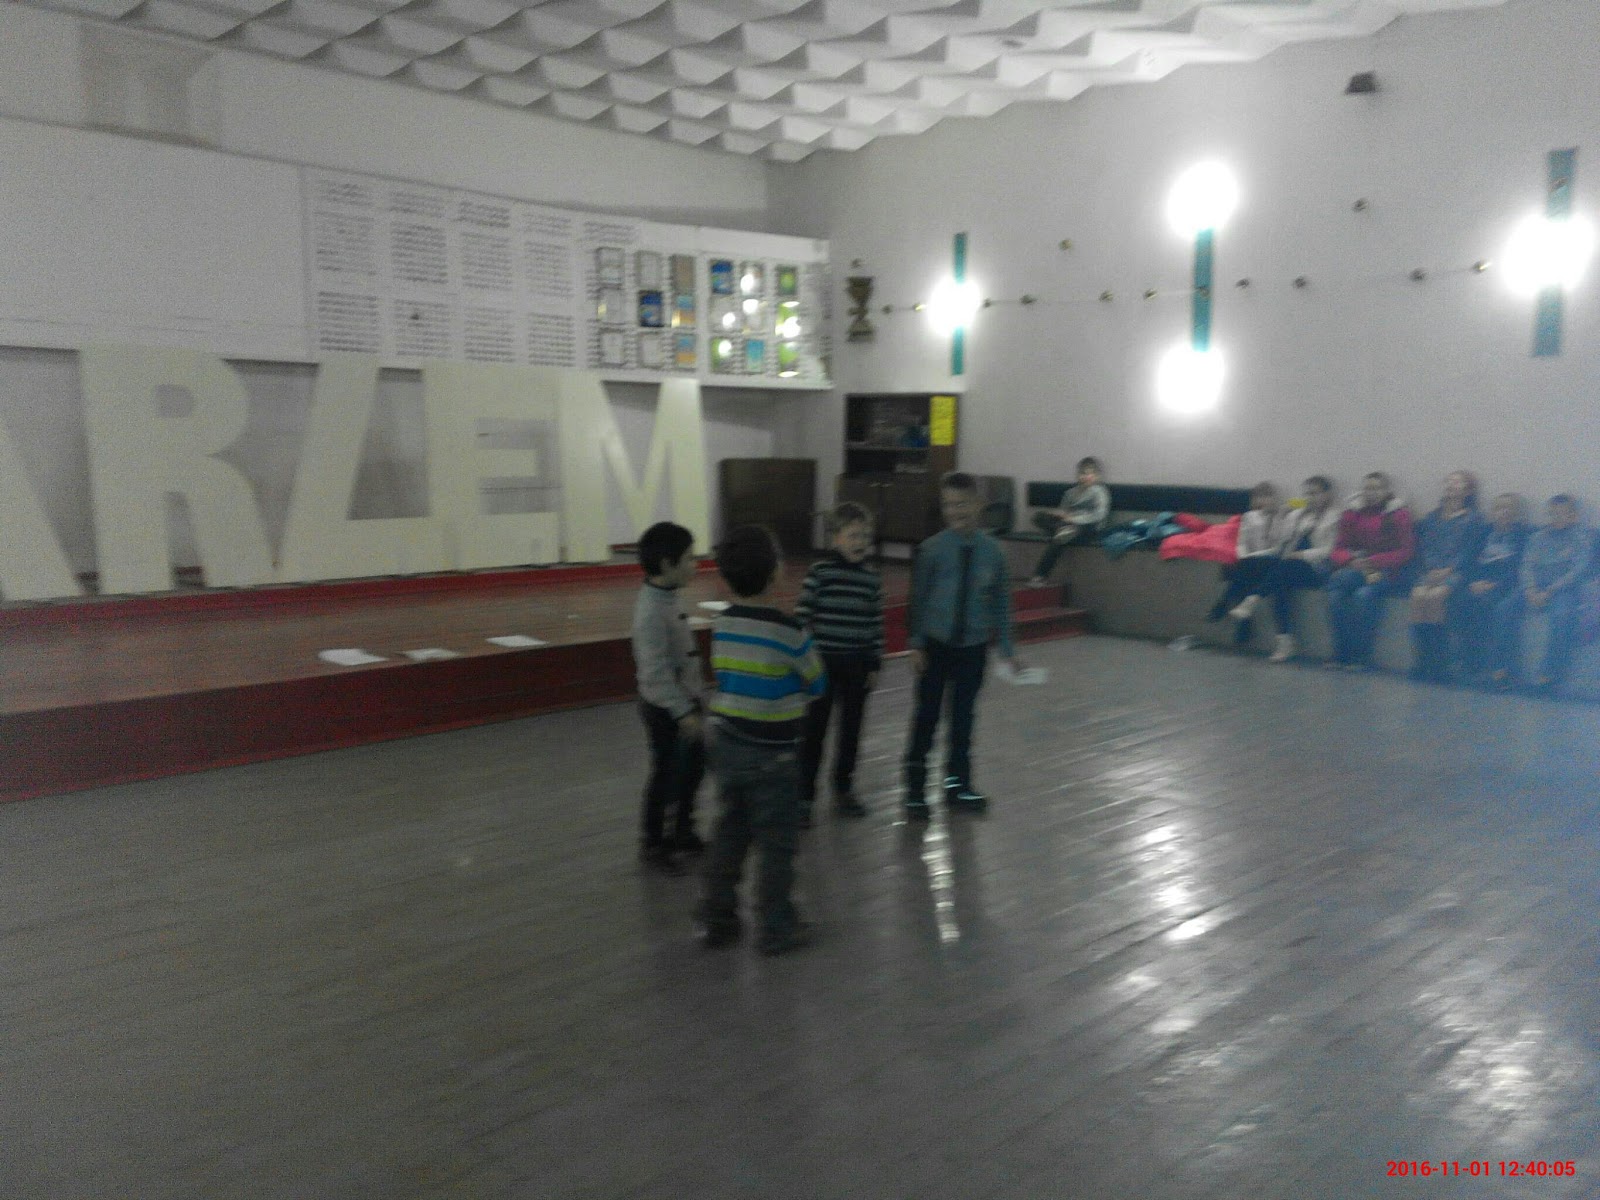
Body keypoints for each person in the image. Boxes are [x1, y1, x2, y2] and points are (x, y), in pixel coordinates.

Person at [699, 526, 827, 955]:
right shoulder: (789, 630)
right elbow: (817, 682)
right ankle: (776, 926)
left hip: (726, 743)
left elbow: (724, 673)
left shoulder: (723, 623)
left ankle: (717, 916)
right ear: (776, 574)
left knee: (731, 830)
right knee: (777, 843)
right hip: (774, 753)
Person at [905, 472, 1022, 818]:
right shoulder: (932, 550)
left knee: (963, 720)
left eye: (962, 504)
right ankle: (915, 790)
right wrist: (916, 643)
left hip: (972, 649)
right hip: (935, 646)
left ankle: (957, 786)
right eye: (948, 505)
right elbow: (918, 599)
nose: (955, 511)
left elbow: (1001, 601)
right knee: (926, 717)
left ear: (978, 504)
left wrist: (1007, 648)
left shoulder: (993, 552)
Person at [795, 502, 884, 824]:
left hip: (857, 666)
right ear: (836, 538)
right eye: (853, 535)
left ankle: (843, 787)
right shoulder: (821, 573)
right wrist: (802, 661)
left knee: (851, 731)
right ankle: (804, 795)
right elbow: (802, 617)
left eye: (865, 536)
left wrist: (874, 663)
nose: (860, 542)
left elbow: (875, 624)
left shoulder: (871, 580)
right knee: (813, 732)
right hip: (822, 667)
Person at [630, 521, 706, 876]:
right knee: (666, 775)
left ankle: (682, 830)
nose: (695, 564)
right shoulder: (650, 612)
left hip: (684, 702)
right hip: (665, 710)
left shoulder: (667, 596)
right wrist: (682, 712)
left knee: (691, 770)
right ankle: (654, 842)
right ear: (666, 564)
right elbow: (655, 673)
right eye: (689, 558)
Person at [1324, 472, 1416, 670]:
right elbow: (1338, 548)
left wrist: (1374, 560)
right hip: (1356, 567)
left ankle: (1362, 655)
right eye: (1367, 488)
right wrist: (1350, 560)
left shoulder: (1398, 514)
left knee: (1363, 596)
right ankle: (1341, 652)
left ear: (1386, 491)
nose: (1371, 493)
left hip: (1386, 572)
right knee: (1336, 594)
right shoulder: (1352, 513)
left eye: (1377, 488)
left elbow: (1406, 551)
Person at [1408, 471, 1488, 683]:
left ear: (1468, 490)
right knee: (1418, 596)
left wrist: (1448, 570)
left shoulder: (1474, 519)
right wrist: (1431, 569)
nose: (1452, 485)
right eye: (1449, 481)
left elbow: (1470, 551)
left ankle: (1438, 662)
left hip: (1457, 572)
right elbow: (1425, 546)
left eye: (1458, 482)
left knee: (1436, 597)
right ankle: (1421, 659)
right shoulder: (1432, 517)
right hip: (1430, 570)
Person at [1258, 475, 1341, 663]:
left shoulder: (1335, 517)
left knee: (1281, 572)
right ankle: (1284, 641)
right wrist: (1283, 516)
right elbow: (1279, 541)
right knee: (1278, 579)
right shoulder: (1298, 515)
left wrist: (1302, 555)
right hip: (1291, 567)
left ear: (1327, 494)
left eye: (1315, 493)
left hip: (1317, 568)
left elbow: (1330, 550)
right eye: (1307, 494)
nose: (1310, 498)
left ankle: (1254, 598)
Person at [1517, 494, 1594, 692]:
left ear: (1573, 516)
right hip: (1534, 587)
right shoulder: (1537, 538)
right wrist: (1530, 589)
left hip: (1564, 590)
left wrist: (1550, 591)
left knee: (1561, 615)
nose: (1556, 517)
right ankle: (1503, 670)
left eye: (1562, 513)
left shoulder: (1581, 538)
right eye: (1552, 513)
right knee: (1504, 608)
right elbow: (1526, 565)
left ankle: (1549, 674)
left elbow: (1578, 571)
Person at [1458, 493, 1530, 687]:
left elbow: (1519, 568)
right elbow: (1468, 561)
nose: (1503, 512)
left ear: (1516, 513)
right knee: (1460, 602)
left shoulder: (1523, 536)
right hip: (1477, 583)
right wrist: (1473, 582)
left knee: (1494, 608)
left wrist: (1494, 584)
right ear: (1493, 512)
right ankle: (1470, 666)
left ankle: (1498, 669)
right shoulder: (1482, 533)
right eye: (1499, 508)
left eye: (1508, 508)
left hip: (1506, 585)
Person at [1203, 481, 1284, 646]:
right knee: (1243, 572)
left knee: (1242, 572)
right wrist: (1245, 556)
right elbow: (1242, 543)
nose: (1265, 500)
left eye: (1268, 496)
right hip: (1250, 563)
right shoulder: (1249, 517)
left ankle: (1224, 606)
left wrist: (1252, 557)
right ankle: (1242, 625)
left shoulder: (1279, 518)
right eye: (1260, 497)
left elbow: (1277, 548)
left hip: (1270, 560)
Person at [1026, 456, 1111, 586]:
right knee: (1039, 517)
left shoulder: (1100, 492)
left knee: (1060, 538)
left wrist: (1074, 519)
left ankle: (1040, 576)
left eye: (1090, 473)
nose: (1086, 476)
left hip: (1089, 528)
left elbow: (1099, 516)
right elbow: (1063, 512)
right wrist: (1059, 515)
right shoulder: (1071, 493)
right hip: (1068, 525)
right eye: (1083, 473)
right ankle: (1064, 531)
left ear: (1097, 476)